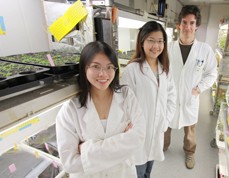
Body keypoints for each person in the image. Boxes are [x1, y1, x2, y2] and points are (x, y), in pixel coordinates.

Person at [56, 41, 146, 178]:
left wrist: (87, 151)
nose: (103, 74)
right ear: (84, 68)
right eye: (96, 67)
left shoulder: (126, 95)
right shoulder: (70, 110)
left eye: (109, 67)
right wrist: (122, 143)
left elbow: (138, 137)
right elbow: (69, 163)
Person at [164, 5, 218, 169]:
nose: (187, 27)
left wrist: (199, 88)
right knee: (165, 127)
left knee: (190, 132)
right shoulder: (168, 47)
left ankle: (189, 153)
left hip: (190, 98)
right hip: (169, 97)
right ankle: (162, 148)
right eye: (184, 22)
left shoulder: (205, 50)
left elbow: (211, 74)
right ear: (179, 24)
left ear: (197, 25)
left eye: (191, 23)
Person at [121, 21, 176, 178]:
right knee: (137, 171)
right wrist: (129, 126)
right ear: (142, 41)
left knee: (148, 172)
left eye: (160, 41)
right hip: (137, 134)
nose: (156, 46)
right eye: (151, 40)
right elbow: (124, 102)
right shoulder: (133, 69)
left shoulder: (164, 69)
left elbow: (172, 96)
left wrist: (166, 120)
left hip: (157, 131)